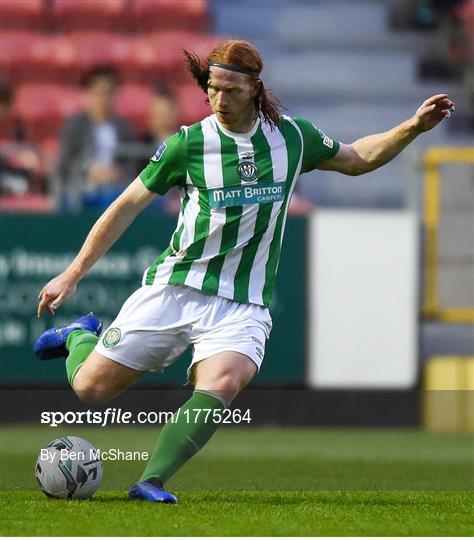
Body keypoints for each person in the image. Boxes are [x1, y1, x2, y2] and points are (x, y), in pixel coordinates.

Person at [35, 40, 455, 503]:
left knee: (225, 380)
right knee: (90, 390)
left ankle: (149, 481)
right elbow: (125, 207)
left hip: (243, 301)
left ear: (255, 88)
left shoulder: (292, 138)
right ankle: (80, 335)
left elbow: (357, 158)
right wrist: (72, 273)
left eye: (231, 89)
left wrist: (413, 127)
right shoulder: (188, 143)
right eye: (213, 89)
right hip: (178, 287)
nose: (219, 99)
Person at [57, 66, 135, 210]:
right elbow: (65, 163)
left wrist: (117, 173)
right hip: (82, 190)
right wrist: (88, 171)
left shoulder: (124, 127)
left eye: (109, 93)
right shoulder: (75, 125)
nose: (104, 99)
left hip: (117, 189)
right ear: (89, 94)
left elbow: (132, 164)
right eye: (100, 93)